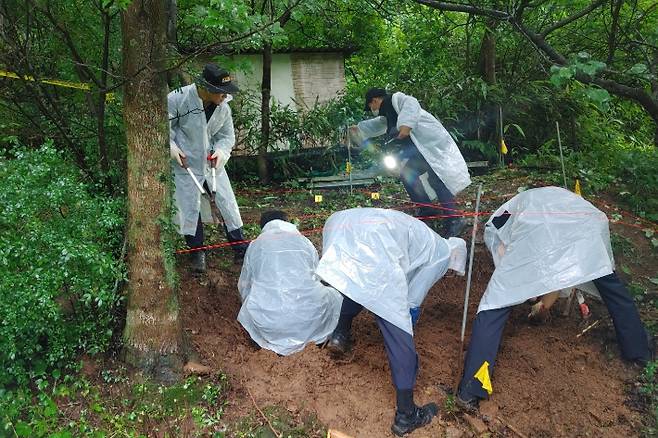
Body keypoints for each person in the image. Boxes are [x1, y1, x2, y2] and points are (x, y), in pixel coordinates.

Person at [456, 186, 654, 411]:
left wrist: (535, 300)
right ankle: (639, 351)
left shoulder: (499, 224)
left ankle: (471, 390)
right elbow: (558, 270)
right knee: (613, 290)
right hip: (587, 224)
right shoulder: (510, 216)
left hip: (561, 229)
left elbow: (531, 268)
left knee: (495, 304)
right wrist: (538, 300)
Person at [316, 208, 467, 436]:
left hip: (339, 223)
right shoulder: (443, 255)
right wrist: (403, 324)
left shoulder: (427, 239)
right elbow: (412, 301)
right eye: (453, 271)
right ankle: (406, 415)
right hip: (374, 237)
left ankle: (340, 334)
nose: (450, 275)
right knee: (399, 326)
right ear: (456, 258)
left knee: (359, 284)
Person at [351, 88, 472, 237]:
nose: (371, 109)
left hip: (429, 146)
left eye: (370, 106)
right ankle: (427, 210)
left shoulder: (397, 100)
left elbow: (411, 104)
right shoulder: (388, 114)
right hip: (417, 152)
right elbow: (378, 125)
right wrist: (359, 128)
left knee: (436, 180)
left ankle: (455, 219)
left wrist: (406, 126)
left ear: (375, 100)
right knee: (408, 176)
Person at [168, 63, 248, 272]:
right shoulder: (177, 99)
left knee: (226, 202)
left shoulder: (223, 107)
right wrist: (172, 149)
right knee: (189, 206)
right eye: (222, 92)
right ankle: (197, 253)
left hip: (211, 161)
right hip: (185, 163)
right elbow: (164, 130)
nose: (225, 97)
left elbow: (226, 136)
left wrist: (221, 152)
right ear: (208, 89)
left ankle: (239, 247)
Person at [237, 210, 342, 356]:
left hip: (270, 324)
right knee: (334, 296)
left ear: (263, 226)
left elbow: (245, 285)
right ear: (287, 223)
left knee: (250, 302)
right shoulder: (304, 242)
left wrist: (250, 304)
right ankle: (325, 337)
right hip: (309, 320)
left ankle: (270, 340)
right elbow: (317, 276)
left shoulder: (256, 245)